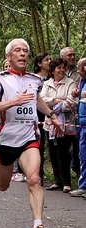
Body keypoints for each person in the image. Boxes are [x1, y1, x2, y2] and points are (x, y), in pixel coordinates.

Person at [0, 38, 64, 228]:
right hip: (5, 140)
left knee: (34, 179)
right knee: (3, 184)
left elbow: (37, 100)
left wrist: (52, 116)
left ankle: (38, 226)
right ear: (9, 56)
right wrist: (13, 102)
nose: (23, 54)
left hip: (29, 138)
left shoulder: (35, 80)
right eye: (18, 50)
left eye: (25, 50)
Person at [41, 57, 78, 193]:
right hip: (49, 124)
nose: (62, 70)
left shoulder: (71, 83)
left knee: (63, 152)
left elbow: (71, 103)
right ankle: (57, 181)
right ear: (52, 70)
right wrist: (58, 100)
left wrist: (53, 103)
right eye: (59, 67)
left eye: (63, 67)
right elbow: (42, 100)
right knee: (53, 152)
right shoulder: (47, 84)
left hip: (65, 124)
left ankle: (66, 182)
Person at [61, 47, 81, 177]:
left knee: (77, 142)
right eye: (69, 55)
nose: (72, 57)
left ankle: (77, 168)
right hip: (62, 114)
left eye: (73, 55)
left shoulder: (79, 72)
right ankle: (63, 177)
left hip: (78, 111)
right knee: (62, 145)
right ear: (63, 57)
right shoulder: (59, 70)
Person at [33, 52, 51, 185]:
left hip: (50, 112)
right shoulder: (33, 78)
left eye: (50, 59)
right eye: (46, 60)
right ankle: (38, 174)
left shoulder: (53, 76)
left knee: (52, 143)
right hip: (36, 114)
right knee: (38, 143)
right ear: (39, 63)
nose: (49, 62)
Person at [69, 58, 86, 198]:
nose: (77, 70)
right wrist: (77, 93)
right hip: (81, 124)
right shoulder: (82, 82)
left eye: (79, 68)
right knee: (83, 157)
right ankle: (83, 186)